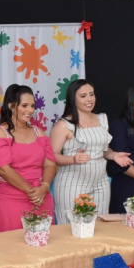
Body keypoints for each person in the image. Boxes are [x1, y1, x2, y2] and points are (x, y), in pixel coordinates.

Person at [49, 79, 126, 223]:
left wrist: (113, 155)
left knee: (99, 227)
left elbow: (103, 150)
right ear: (73, 99)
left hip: (100, 182)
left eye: (91, 94)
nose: (89, 99)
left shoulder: (102, 119)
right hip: (71, 183)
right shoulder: (64, 125)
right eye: (83, 96)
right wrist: (73, 159)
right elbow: (52, 156)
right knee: (73, 229)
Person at [0, 85, 57, 232]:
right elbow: (3, 169)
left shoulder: (39, 132)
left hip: (41, 197)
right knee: (11, 250)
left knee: (44, 249)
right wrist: (31, 191)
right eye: (24, 105)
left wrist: (44, 187)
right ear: (11, 106)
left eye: (32, 106)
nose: (30, 110)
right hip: (8, 198)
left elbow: (50, 164)